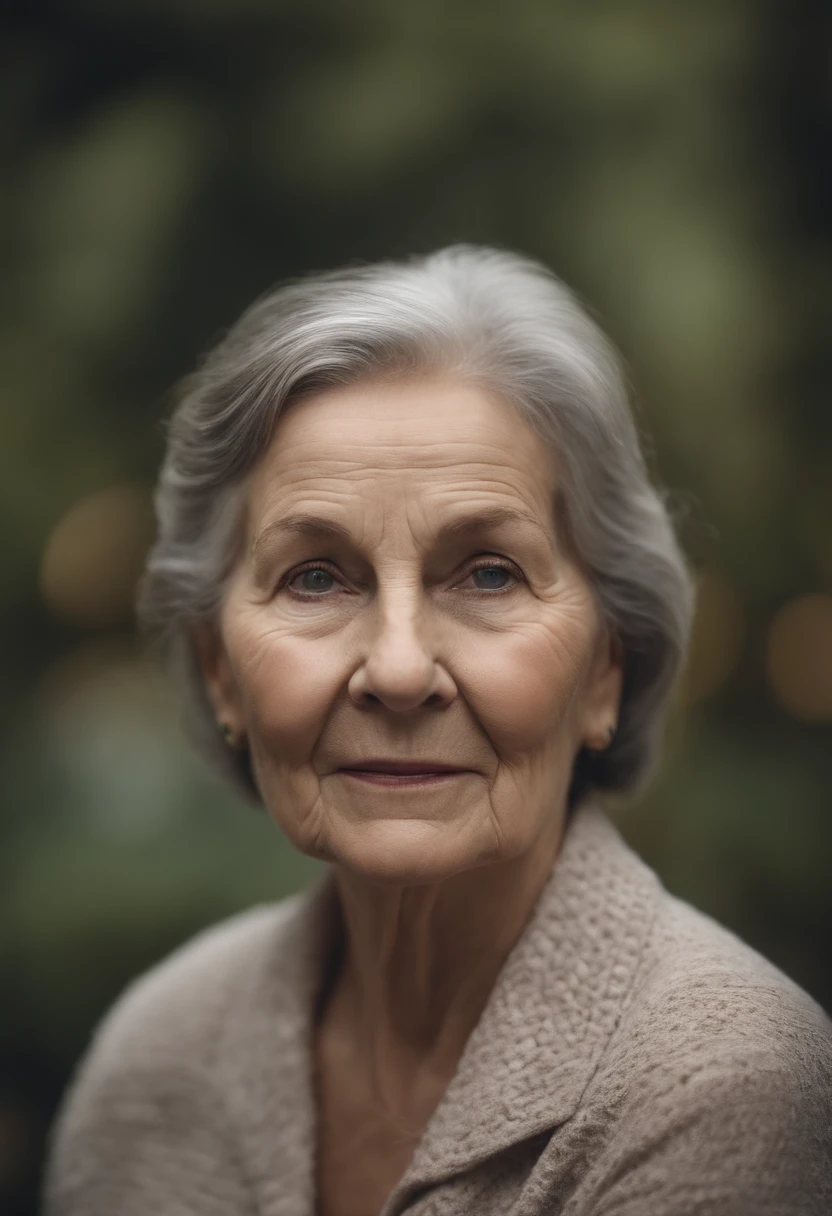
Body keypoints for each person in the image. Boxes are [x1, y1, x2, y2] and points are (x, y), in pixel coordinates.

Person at [43, 247, 832, 1216]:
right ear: (220, 672)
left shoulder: (724, 1083)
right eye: (316, 577)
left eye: (488, 573)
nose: (401, 668)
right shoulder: (153, 1060)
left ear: (605, 668)